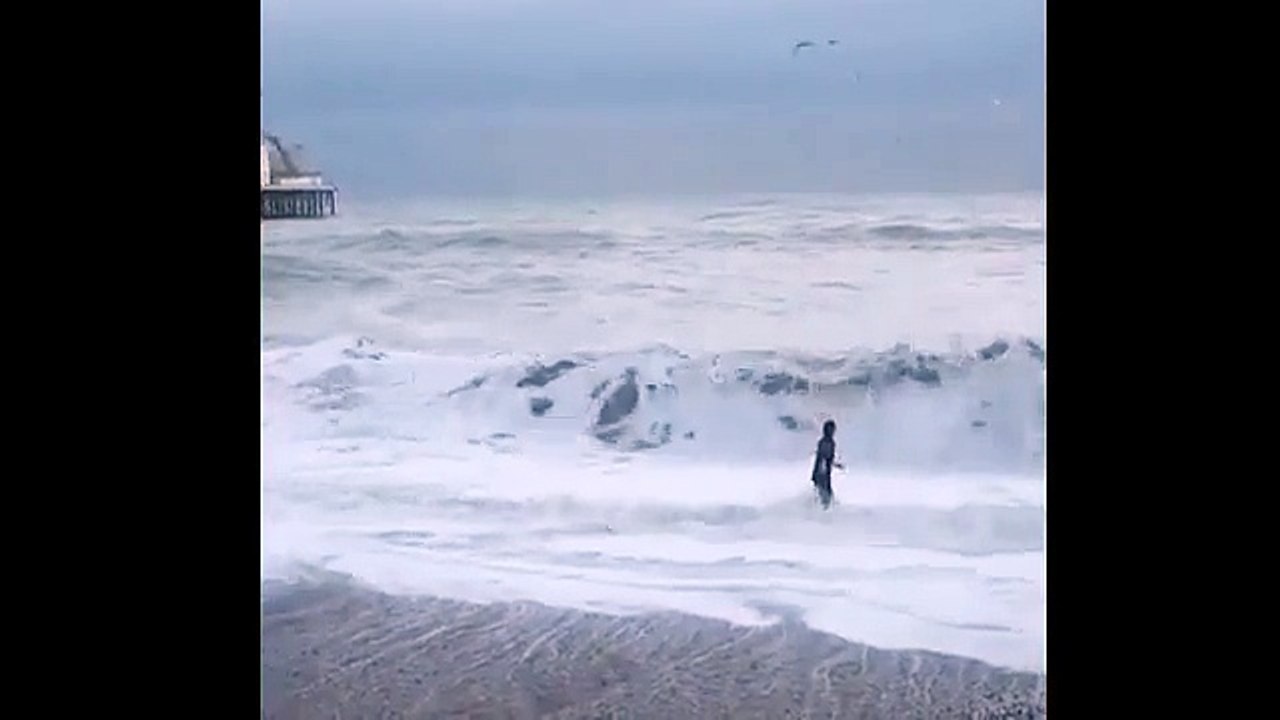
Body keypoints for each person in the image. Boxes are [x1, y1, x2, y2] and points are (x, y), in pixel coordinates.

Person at [811, 420, 844, 508]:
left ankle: (822, 507)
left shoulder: (828, 442)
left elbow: (827, 458)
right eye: (831, 429)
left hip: (823, 472)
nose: (833, 432)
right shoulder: (826, 442)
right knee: (825, 494)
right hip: (822, 473)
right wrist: (821, 471)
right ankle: (822, 509)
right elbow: (823, 458)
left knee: (824, 493)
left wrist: (836, 465)